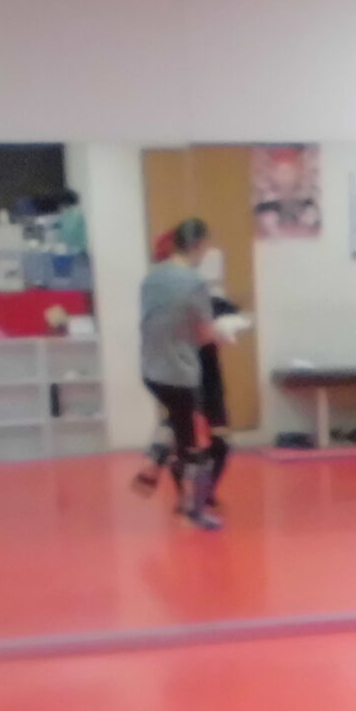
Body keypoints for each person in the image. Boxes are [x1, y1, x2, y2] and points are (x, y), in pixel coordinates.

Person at [139, 219, 225, 529]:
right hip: (181, 372)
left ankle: (154, 461)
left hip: (151, 369)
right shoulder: (194, 283)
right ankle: (196, 510)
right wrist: (223, 334)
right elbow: (204, 334)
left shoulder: (150, 279)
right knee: (198, 446)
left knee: (176, 419)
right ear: (199, 245)